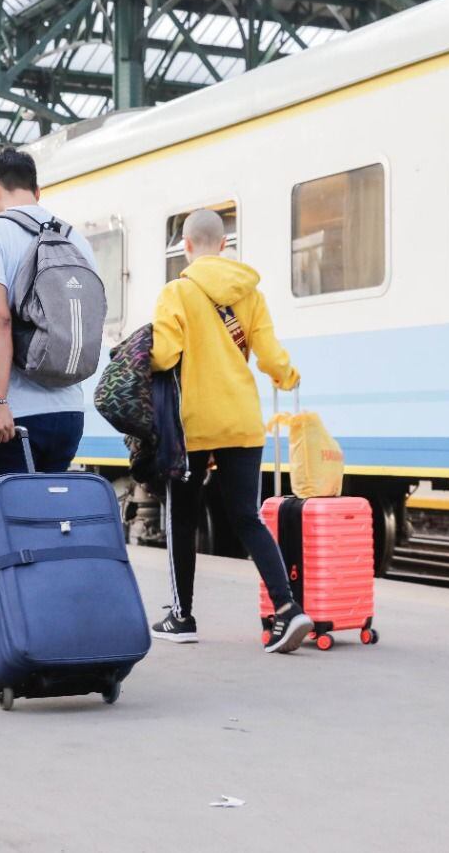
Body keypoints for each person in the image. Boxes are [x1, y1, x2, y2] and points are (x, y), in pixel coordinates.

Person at [149, 208, 314, 654]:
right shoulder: (249, 293)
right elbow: (270, 355)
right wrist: (288, 376)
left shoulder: (176, 292)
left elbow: (164, 356)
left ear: (186, 246)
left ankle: (181, 616)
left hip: (195, 424)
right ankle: (288, 610)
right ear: (224, 245)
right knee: (246, 516)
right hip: (242, 419)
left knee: (181, 518)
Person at [0, 147, 98, 491]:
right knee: (48, 528)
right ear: (37, 191)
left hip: (11, 417)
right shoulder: (75, 238)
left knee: (2, 531)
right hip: (68, 412)